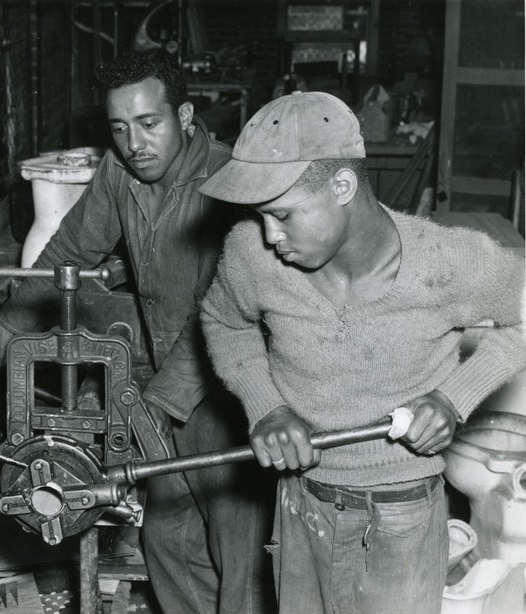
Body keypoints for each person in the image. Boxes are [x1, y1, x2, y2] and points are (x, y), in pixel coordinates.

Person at [198, 90, 526, 614]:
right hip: (301, 504)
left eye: (282, 214)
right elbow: (224, 321)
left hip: (405, 518)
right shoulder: (251, 255)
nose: (269, 235)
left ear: (343, 185)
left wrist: (453, 398)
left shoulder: (446, 261)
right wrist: (267, 407)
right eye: (259, 216)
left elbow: (522, 316)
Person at [0, 50, 275, 613]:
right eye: (119, 128)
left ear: (185, 116)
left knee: (241, 554)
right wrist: (13, 317)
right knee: (169, 538)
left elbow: (223, 310)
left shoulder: (229, 183)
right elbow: (67, 250)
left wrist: (154, 403)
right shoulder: (121, 171)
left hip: (233, 390)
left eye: (149, 123)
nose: (134, 143)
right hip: (164, 375)